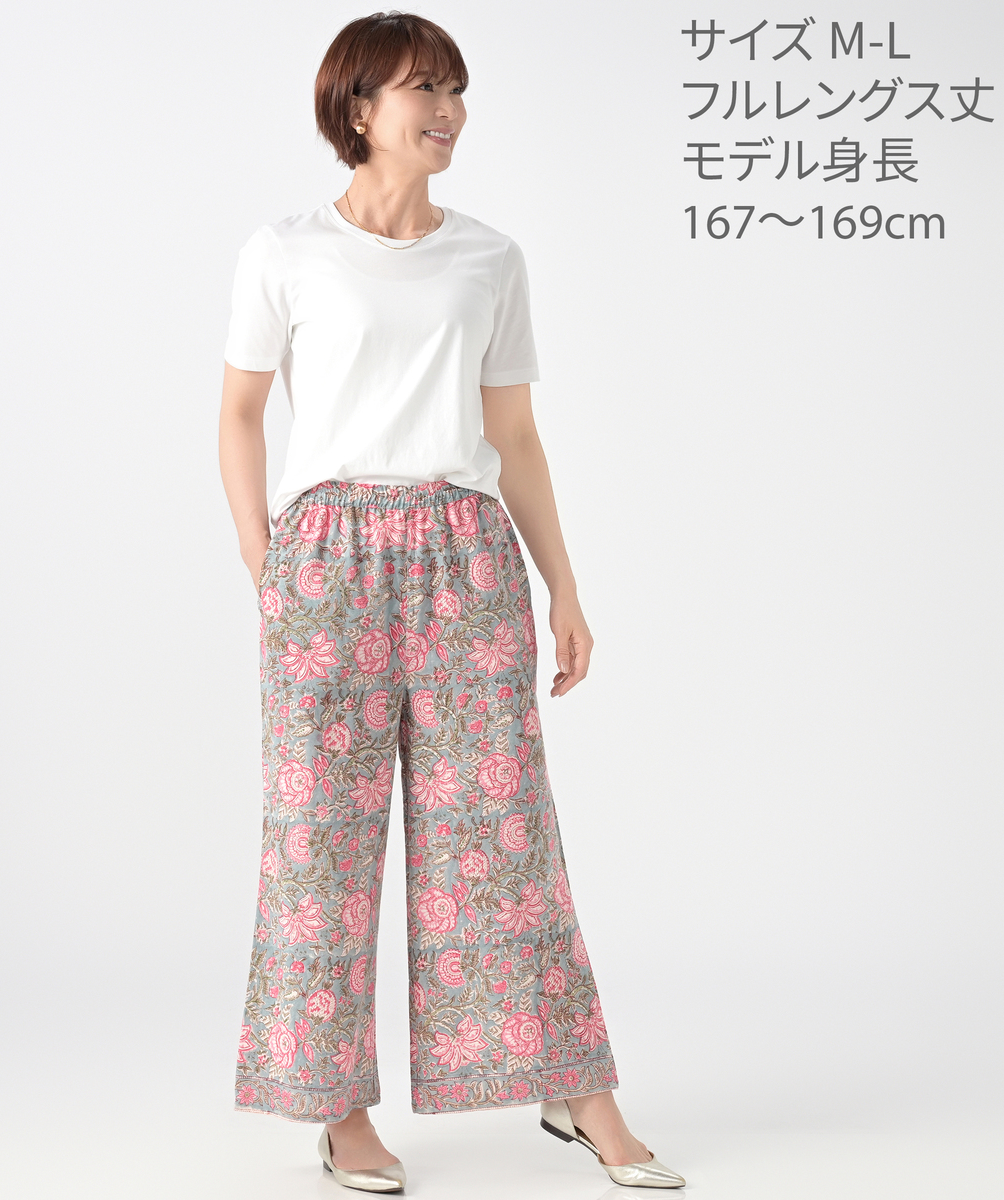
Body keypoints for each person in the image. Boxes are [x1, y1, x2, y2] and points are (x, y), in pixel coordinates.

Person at [218, 11, 685, 1193]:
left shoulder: (491, 259)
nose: (448, 111)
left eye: (456, 90)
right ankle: (340, 1112)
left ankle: (577, 1092)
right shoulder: (284, 252)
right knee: (319, 843)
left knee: (503, 838)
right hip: (328, 560)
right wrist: (269, 569)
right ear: (358, 108)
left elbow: (514, 435)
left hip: (465, 559)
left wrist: (564, 583)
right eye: (423, 89)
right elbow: (239, 415)